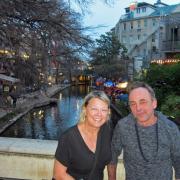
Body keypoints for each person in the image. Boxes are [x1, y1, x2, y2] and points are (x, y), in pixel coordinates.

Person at [108, 81, 180, 180]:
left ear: (154, 103)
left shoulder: (170, 128)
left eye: (143, 102)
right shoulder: (123, 127)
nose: (138, 108)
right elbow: (112, 156)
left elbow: (178, 162)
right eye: (133, 104)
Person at [53, 90, 112, 180]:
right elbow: (59, 175)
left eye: (103, 110)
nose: (99, 114)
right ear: (85, 109)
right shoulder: (69, 138)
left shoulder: (106, 131)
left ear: (108, 112)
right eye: (94, 109)